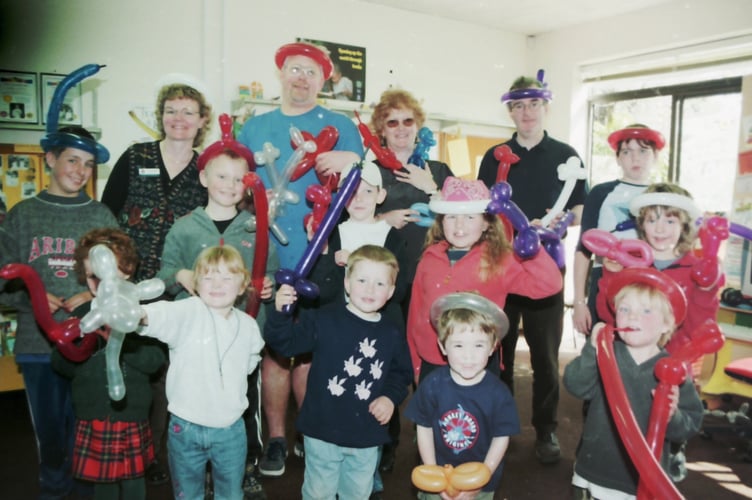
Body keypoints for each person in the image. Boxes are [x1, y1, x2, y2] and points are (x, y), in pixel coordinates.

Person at [237, 41, 363, 477]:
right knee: (275, 352)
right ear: (282, 74)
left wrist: (353, 157)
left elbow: (364, 183)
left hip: (320, 255)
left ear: (323, 80)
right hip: (266, 253)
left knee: (313, 353)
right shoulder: (254, 128)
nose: (301, 78)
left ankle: (309, 432)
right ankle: (276, 439)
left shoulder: (341, 125)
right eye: (294, 69)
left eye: (310, 71)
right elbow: (234, 184)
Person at [101, 75, 212, 484]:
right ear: (160, 117)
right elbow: (106, 215)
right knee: (132, 365)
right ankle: (130, 450)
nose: (178, 119)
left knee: (172, 371)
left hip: (181, 284)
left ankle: (160, 452)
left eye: (187, 112)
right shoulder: (135, 156)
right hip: (131, 282)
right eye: (170, 111)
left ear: (203, 120)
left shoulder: (207, 167)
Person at [157, 132, 279, 499]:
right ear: (204, 178)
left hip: (241, 339)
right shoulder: (185, 227)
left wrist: (269, 286)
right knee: (192, 400)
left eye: (238, 178)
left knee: (242, 404)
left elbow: (267, 271)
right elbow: (164, 273)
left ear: (249, 184)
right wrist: (180, 275)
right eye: (221, 175)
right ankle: (194, 469)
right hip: (194, 341)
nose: (229, 184)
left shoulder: (257, 229)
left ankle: (245, 465)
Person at [0, 125, 117, 498]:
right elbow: (4, 279)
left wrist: (92, 293)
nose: (80, 171)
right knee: (50, 434)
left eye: (87, 164)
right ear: (50, 159)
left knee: (86, 432)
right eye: (71, 160)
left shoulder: (101, 215)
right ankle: (53, 491)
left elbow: (123, 275)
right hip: (38, 347)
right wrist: (33, 297)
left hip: (90, 343)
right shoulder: (22, 215)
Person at [476, 70, 587, 464]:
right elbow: (484, 210)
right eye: (519, 106)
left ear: (545, 107)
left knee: (544, 357)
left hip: (546, 269)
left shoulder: (566, 155)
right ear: (511, 111)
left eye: (534, 104)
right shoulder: (494, 157)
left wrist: (562, 222)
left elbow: (577, 208)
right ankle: (498, 427)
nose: (527, 113)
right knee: (497, 355)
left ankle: (546, 431)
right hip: (502, 269)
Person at [594, 182, 721, 481]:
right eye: (652, 219)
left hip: (675, 359)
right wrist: (610, 274)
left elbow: (699, 325)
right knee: (630, 416)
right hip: (633, 360)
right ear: (641, 224)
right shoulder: (631, 264)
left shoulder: (697, 268)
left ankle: (674, 448)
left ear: (685, 224)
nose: (660, 228)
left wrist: (704, 289)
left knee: (670, 418)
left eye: (670, 219)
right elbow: (607, 313)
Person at [265, 245, 412, 500]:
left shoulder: (391, 333)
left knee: (357, 493)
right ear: (347, 282)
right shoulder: (323, 319)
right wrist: (280, 314)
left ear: (390, 292)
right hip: (322, 428)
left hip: (366, 433)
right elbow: (285, 343)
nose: (369, 289)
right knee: (318, 492)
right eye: (362, 280)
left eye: (379, 284)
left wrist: (389, 397)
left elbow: (401, 374)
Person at [306, 161, 407, 498]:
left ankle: (377, 456)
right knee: (339, 386)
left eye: (367, 191)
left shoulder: (392, 234)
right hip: (341, 322)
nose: (359, 198)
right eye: (351, 192)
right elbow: (321, 286)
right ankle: (328, 451)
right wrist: (335, 263)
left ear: (380, 195)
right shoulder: (333, 231)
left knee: (377, 389)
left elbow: (399, 286)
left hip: (382, 324)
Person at [368, 89, 455, 472]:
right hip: (383, 281)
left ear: (418, 126)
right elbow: (345, 218)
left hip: (432, 279)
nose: (401, 129)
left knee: (434, 360)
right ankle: (386, 442)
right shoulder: (370, 170)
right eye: (392, 122)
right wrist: (379, 220)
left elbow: (464, 216)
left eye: (408, 121)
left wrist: (432, 187)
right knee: (387, 361)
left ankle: (435, 444)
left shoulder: (438, 170)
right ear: (381, 130)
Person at [137, 245, 265, 500]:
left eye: (227, 277)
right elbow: (157, 316)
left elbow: (252, 360)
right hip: (185, 427)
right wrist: (135, 313)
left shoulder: (249, 327)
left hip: (231, 430)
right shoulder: (188, 311)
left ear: (242, 286)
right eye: (208, 277)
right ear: (196, 283)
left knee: (230, 493)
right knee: (187, 494)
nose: (217, 284)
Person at [563, 267, 704, 498]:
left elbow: (689, 425)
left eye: (646, 310)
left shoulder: (674, 370)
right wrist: (592, 349)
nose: (632, 316)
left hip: (642, 479)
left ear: (667, 325)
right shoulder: (606, 354)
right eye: (625, 309)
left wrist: (673, 415)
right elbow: (575, 385)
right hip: (594, 470)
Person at [407, 177, 563, 384]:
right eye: (451, 216)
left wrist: (533, 254)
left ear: (486, 223)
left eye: (470, 217)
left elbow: (548, 285)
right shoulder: (429, 258)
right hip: (433, 361)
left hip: (478, 364)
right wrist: (416, 362)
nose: (459, 225)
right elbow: (416, 313)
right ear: (441, 220)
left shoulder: (499, 259)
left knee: (476, 416)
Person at [51, 228, 166, 500]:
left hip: (131, 412)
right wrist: (79, 348)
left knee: (134, 478)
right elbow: (60, 365)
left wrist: (125, 342)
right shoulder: (81, 315)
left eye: (110, 272)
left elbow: (155, 362)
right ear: (84, 276)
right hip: (93, 413)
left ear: (126, 272)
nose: (102, 282)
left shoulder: (142, 316)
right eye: (93, 276)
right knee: (103, 483)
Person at [405, 292, 521, 500]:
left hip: (481, 484)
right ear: (443, 347)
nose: (469, 356)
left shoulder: (499, 394)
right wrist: (433, 474)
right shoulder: (432, 385)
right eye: (459, 345)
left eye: (478, 345)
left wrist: (483, 477)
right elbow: (424, 428)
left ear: (492, 347)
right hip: (438, 475)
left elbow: (501, 438)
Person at [573, 124, 665, 335]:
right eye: (627, 151)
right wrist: (579, 301)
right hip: (604, 280)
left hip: (648, 284)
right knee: (599, 347)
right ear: (617, 158)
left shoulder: (661, 196)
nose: (635, 158)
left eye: (643, 151)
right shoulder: (600, 193)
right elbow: (583, 248)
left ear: (655, 156)